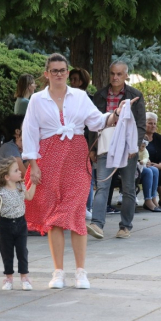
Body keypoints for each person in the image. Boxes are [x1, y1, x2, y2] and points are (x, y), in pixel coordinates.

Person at [22, 53, 126, 289]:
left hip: (77, 159)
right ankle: (58, 272)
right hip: (48, 159)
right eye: (54, 70)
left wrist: (116, 114)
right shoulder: (37, 100)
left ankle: (81, 271)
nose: (59, 74)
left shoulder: (79, 96)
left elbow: (97, 122)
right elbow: (29, 132)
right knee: (54, 217)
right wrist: (34, 165)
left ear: (68, 72)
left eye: (63, 70)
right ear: (46, 73)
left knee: (77, 212)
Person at [87, 60, 146, 240]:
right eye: (113, 73)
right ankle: (97, 224)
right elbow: (92, 122)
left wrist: (134, 145)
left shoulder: (135, 95)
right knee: (102, 185)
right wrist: (92, 147)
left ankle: (125, 226)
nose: (115, 77)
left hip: (127, 147)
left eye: (119, 74)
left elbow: (140, 123)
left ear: (126, 75)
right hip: (105, 145)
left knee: (128, 188)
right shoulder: (100, 95)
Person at [0, 157, 37, 291]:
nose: (20, 173)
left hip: (21, 223)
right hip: (5, 224)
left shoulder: (20, 186)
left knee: (22, 251)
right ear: (7, 177)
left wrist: (34, 183)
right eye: (16, 171)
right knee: (7, 252)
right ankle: (9, 278)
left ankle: (24, 277)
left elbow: (29, 197)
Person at [69, 67, 94, 219]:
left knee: (85, 175)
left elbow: (92, 124)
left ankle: (86, 206)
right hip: (69, 142)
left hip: (83, 142)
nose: (72, 83)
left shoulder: (87, 99)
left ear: (82, 82)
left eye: (75, 80)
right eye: (71, 79)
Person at [138, 138, 161, 212]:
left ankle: (153, 198)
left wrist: (146, 161)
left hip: (141, 165)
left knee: (154, 170)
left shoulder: (144, 151)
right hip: (133, 166)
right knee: (148, 171)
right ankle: (147, 199)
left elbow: (146, 157)